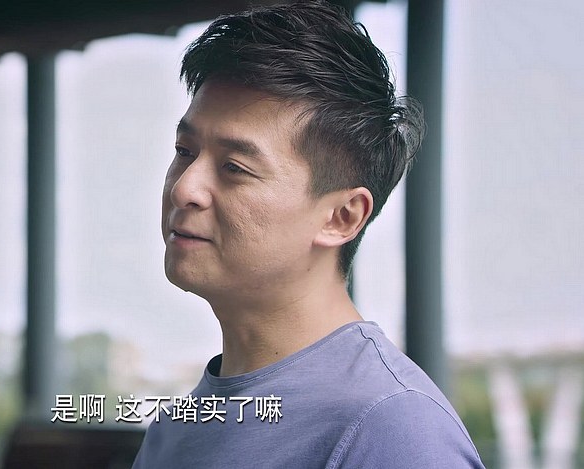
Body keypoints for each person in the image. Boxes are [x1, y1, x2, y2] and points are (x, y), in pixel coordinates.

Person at [132, 1, 485, 468]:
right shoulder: (177, 428)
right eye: (184, 150)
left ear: (341, 217)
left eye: (234, 167)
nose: (185, 188)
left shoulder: (391, 427)